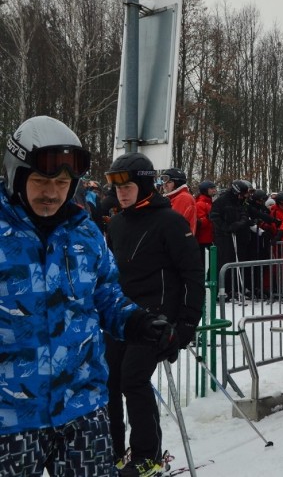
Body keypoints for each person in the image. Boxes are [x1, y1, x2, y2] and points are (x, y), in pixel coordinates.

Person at [0, 116, 176, 477]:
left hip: (82, 409)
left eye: (62, 182)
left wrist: (140, 322)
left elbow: (105, 295)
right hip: (11, 416)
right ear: (16, 176)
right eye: (40, 180)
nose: (51, 192)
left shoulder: (85, 233)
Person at [105, 152, 205, 477]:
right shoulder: (117, 223)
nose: (121, 191)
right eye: (115, 185)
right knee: (108, 380)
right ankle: (114, 451)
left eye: (127, 184)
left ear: (145, 183)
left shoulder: (169, 221)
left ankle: (147, 456)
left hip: (157, 320)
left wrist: (186, 324)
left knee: (133, 379)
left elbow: (192, 273)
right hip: (122, 317)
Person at [210, 179, 253, 300]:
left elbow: (245, 215)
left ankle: (234, 288)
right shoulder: (222, 201)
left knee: (236, 261)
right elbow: (214, 216)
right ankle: (222, 289)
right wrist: (226, 228)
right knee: (224, 261)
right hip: (223, 236)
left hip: (236, 234)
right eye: (241, 194)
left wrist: (239, 224)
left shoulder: (239, 201)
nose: (242, 197)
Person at [161, 167, 197, 235]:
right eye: (163, 181)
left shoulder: (183, 198)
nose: (164, 184)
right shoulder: (172, 198)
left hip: (178, 241)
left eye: (169, 182)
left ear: (177, 183)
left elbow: (171, 223)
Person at [195, 180, 217, 253]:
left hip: (210, 238)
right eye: (212, 188)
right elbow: (200, 223)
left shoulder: (210, 202)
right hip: (203, 240)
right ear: (205, 190)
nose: (214, 190)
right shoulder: (200, 204)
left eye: (214, 188)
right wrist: (209, 217)